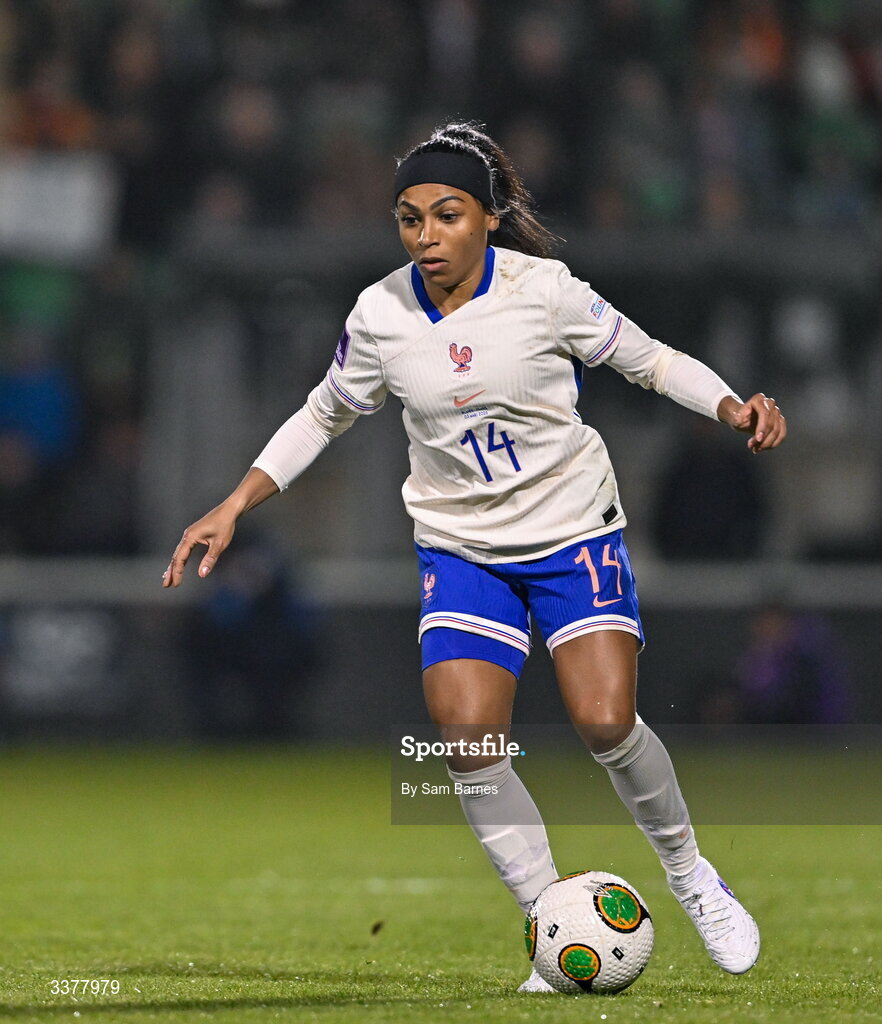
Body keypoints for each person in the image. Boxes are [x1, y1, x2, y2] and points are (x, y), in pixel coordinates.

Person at [163, 122, 786, 990]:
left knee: (605, 722)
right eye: (410, 218)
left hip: (572, 531)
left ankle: (691, 876)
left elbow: (649, 361)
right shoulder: (381, 314)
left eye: (446, 216)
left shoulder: (547, 293)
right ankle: (548, 922)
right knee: (463, 736)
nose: (426, 236)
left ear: (488, 218)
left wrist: (730, 404)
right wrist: (234, 503)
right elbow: (322, 413)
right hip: (463, 547)